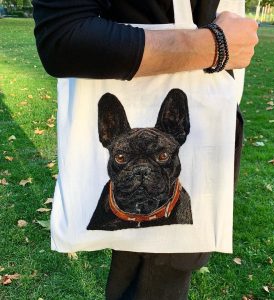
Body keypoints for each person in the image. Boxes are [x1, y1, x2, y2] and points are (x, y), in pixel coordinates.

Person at [32, 1, 258, 299]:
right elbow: (64, 36)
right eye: (123, 158)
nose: (141, 172)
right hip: (200, 83)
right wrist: (217, 45)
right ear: (107, 135)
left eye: (161, 157)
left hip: (209, 123)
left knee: (167, 268)